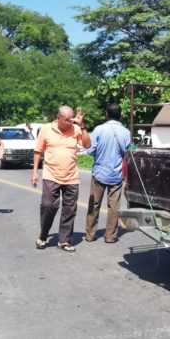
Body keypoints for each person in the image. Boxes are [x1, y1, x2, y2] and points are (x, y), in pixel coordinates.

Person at [31, 106, 91, 252]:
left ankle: (64, 240)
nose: (69, 123)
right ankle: (43, 236)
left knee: (69, 210)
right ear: (58, 118)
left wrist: (81, 126)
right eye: (66, 120)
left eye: (71, 120)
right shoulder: (46, 129)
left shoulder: (76, 129)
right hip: (51, 175)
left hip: (71, 177)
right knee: (48, 206)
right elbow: (38, 151)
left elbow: (87, 144)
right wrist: (35, 173)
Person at [84, 103, 131, 243]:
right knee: (114, 207)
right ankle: (111, 236)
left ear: (106, 115)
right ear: (120, 115)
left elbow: (91, 150)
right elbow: (127, 154)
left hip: (99, 173)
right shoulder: (126, 132)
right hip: (116, 175)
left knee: (94, 205)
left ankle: (90, 235)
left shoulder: (99, 129)